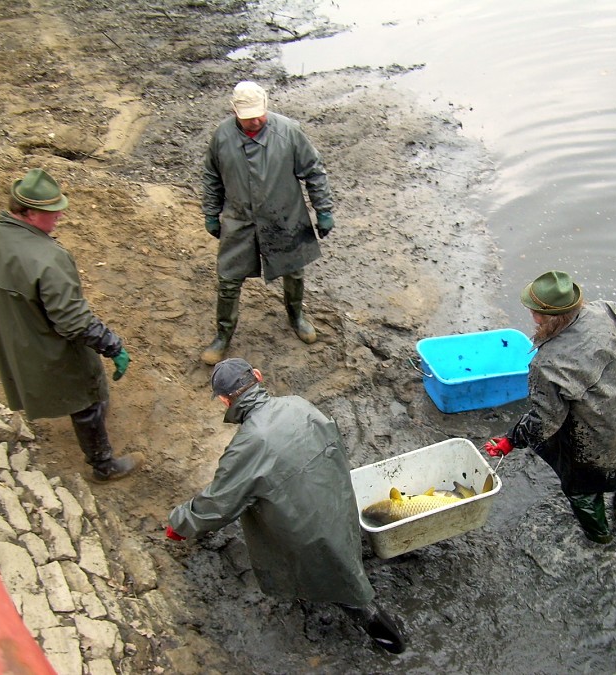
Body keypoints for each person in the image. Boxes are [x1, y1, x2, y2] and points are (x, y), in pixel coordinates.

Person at [165, 358, 405, 654]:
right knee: (344, 556)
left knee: (346, 586)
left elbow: (219, 503)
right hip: (338, 504)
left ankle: (384, 633)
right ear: (257, 376)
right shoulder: (298, 404)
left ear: (225, 401)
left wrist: (180, 523)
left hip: (307, 532)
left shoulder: (247, 444)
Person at [0, 168, 142, 482]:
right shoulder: (49, 257)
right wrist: (113, 346)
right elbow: (74, 323)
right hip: (50, 345)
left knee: (72, 389)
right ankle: (103, 465)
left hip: (9, 333)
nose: (60, 216)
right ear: (28, 213)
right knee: (84, 394)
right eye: (52, 212)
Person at [483, 271, 616, 544]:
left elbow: (544, 422)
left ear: (540, 316)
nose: (532, 316)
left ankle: (601, 539)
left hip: (591, 445)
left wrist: (510, 440)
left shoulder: (547, 364)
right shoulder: (602, 313)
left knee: (582, 492)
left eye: (533, 311)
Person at [200, 80, 335, 364]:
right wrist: (211, 214)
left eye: (259, 114)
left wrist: (323, 209)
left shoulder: (288, 132)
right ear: (235, 112)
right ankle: (223, 334)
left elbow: (314, 171)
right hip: (239, 219)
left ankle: (296, 316)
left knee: (294, 272)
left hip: (283, 216)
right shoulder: (222, 137)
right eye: (247, 117)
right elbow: (211, 177)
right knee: (227, 279)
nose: (255, 121)